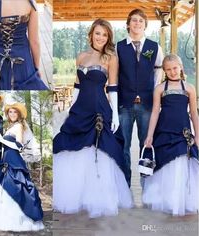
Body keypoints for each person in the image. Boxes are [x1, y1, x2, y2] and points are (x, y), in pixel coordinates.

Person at [53, 19, 133, 218]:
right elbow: (78, 85)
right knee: (70, 147)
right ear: (91, 34)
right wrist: (70, 108)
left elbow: (113, 87)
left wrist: (114, 114)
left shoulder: (110, 58)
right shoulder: (81, 57)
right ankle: (75, 195)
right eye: (98, 33)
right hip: (80, 108)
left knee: (100, 149)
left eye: (105, 35)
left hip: (99, 108)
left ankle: (98, 197)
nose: (101, 38)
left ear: (108, 38)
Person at [143, 54, 199, 216]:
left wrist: (197, 135)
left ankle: (180, 200)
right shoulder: (160, 89)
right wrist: (150, 135)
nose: (172, 72)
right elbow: (154, 112)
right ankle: (166, 199)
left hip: (183, 132)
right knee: (165, 166)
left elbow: (194, 114)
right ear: (164, 71)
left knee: (181, 166)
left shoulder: (189, 88)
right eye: (168, 69)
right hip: (164, 131)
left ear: (181, 66)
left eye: (175, 68)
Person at [0, 102, 44, 231]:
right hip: (5, 159)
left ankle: (18, 219)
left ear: (19, 114)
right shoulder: (10, 126)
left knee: (14, 187)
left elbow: (18, 146)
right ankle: (0, 216)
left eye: (15, 112)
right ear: (8, 114)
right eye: (10, 112)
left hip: (14, 160)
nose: (12, 114)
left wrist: (1, 140)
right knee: (1, 187)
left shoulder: (18, 126)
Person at [116, 9, 164, 187]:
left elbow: (159, 68)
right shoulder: (119, 46)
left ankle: (147, 184)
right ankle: (125, 183)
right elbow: (115, 73)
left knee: (147, 144)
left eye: (141, 21)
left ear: (145, 25)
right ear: (128, 24)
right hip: (124, 104)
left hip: (147, 104)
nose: (137, 24)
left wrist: (153, 90)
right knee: (124, 145)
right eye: (134, 20)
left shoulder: (154, 46)